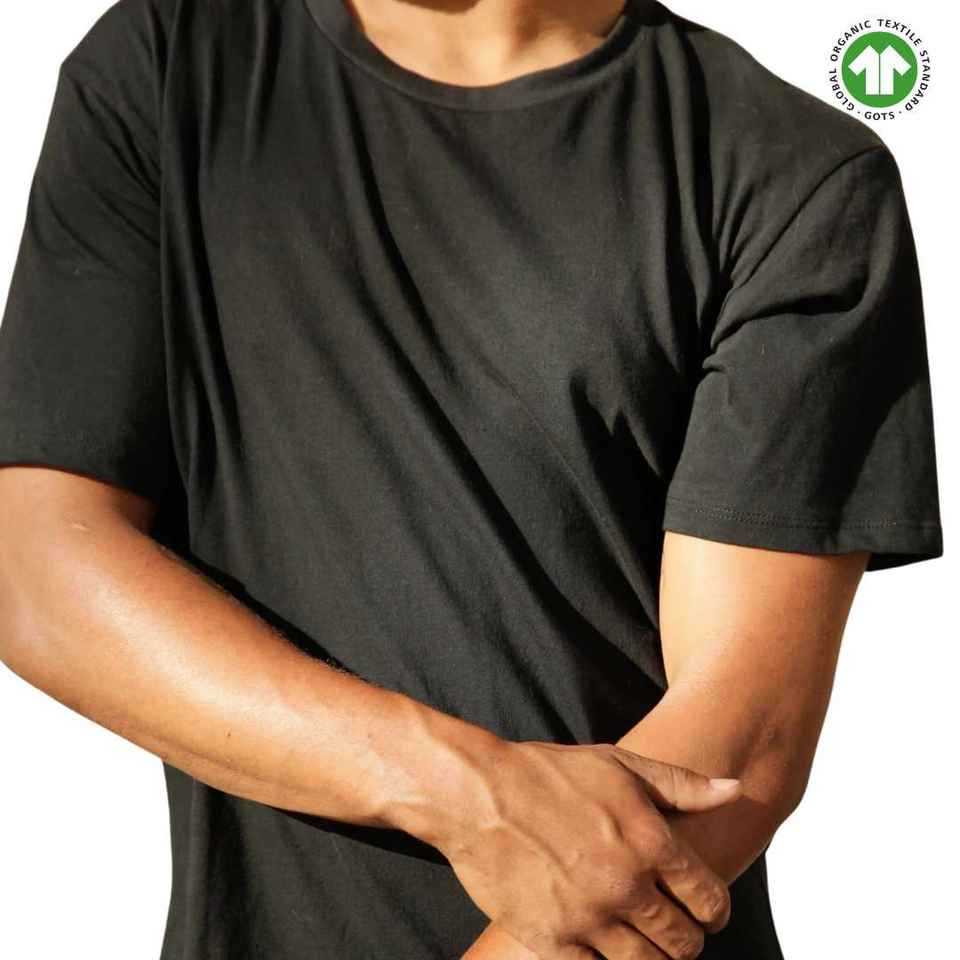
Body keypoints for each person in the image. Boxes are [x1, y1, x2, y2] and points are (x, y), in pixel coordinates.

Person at [0, 0, 943, 958]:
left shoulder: (790, 171)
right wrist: (465, 789)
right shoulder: (173, 60)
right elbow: (37, 570)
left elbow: (741, 744)